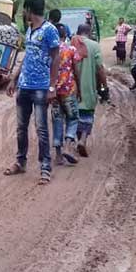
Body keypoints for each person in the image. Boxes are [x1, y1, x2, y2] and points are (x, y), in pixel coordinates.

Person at [5, 0, 60, 185]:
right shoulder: (29, 30)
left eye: (24, 10)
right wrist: (14, 79)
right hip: (24, 87)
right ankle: (20, 162)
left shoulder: (49, 31)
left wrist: (52, 86)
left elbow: (56, 59)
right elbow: (27, 57)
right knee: (21, 128)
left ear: (29, 9)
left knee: (41, 129)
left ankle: (45, 168)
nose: (23, 13)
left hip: (41, 87)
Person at [72, 23, 108, 157]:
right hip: (89, 88)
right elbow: (100, 69)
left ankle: (77, 139)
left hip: (72, 89)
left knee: (74, 115)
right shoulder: (94, 46)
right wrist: (104, 87)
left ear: (78, 31)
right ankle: (83, 139)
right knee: (87, 115)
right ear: (90, 32)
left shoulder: (72, 44)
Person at [52, 23, 81, 167]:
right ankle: (68, 147)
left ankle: (58, 155)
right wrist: (79, 88)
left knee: (57, 119)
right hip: (68, 89)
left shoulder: (51, 49)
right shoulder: (71, 49)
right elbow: (76, 70)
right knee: (73, 118)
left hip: (54, 90)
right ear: (65, 35)